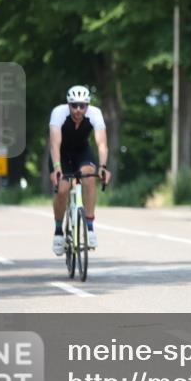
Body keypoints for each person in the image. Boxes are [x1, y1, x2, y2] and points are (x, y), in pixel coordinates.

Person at [48, 85, 112, 255]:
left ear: (87, 106)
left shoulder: (95, 114)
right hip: (61, 153)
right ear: (68, 105)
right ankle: (58, 231)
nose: (78, 110)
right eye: (74, 105)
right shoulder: (58, 113)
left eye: (82, 106)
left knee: (89, 178)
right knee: (62, 189)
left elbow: (102, 144)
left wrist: (103, 167)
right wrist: (56, 168)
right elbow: (54, 144)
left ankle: (90, 227)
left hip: (82, 151)